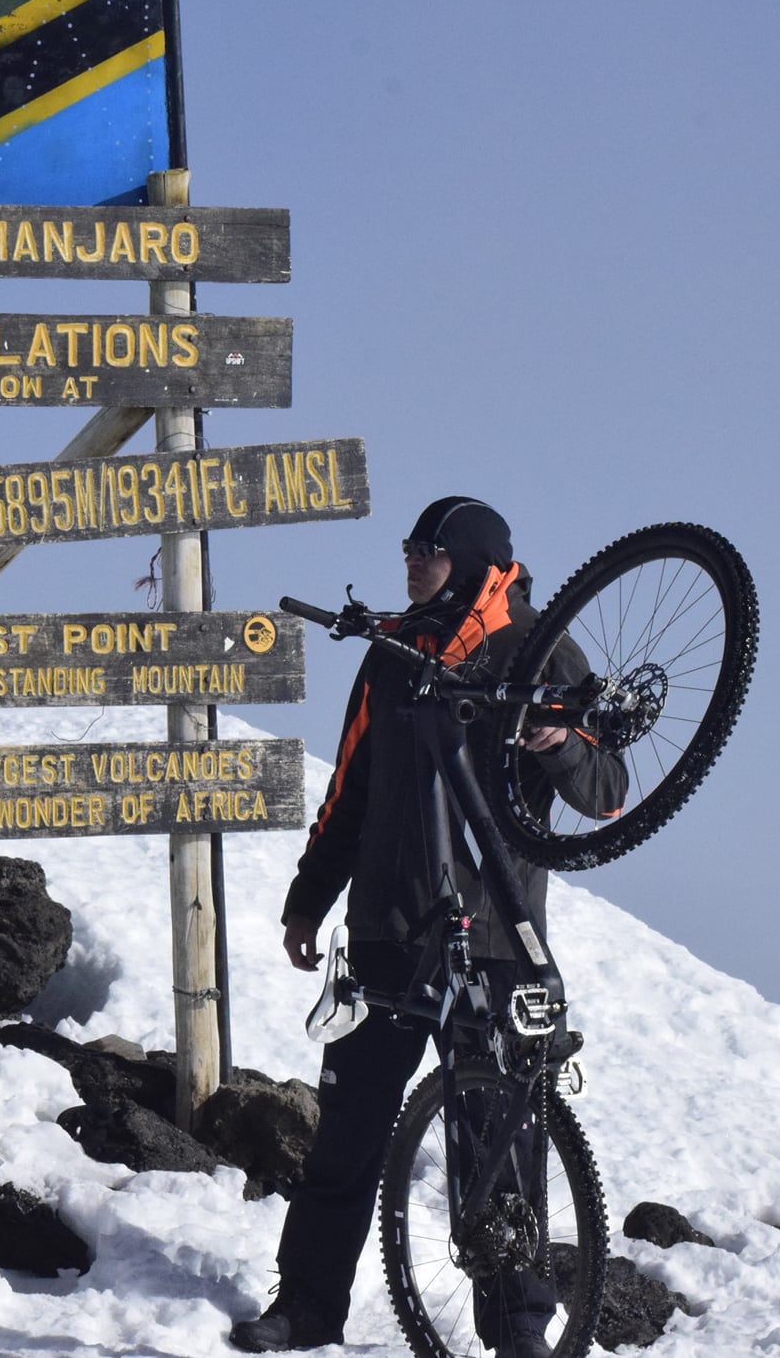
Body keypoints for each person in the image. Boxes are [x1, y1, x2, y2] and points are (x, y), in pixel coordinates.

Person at [230, 498, 627, 1356]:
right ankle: (305, 1308)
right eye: (407, 547)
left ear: (480, 563)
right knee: (347, 1133)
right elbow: (351, 788)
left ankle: (520, 1329)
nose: (410, 561)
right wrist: (309, 898)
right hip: (387, 931)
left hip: (495, 941)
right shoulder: (395, 650)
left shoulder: (542, 647)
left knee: (502, 1145)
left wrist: (558, 737)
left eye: (429, 550)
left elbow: (606, 788)